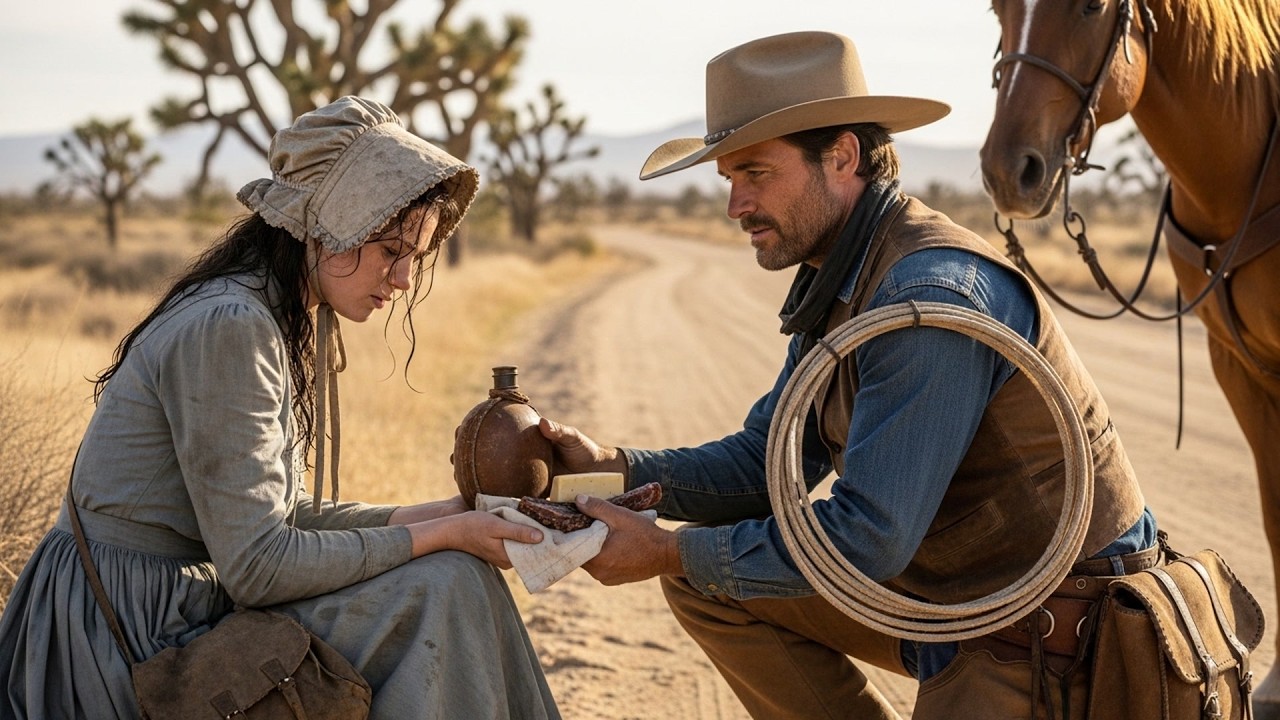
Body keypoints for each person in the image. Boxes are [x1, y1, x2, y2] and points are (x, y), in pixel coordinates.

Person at [539, 32, 1158, 719]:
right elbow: (765, 466)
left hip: (1050, 633)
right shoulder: (842, 273)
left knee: (698, 567)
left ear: (841, 156)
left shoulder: (928, 297)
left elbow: (868, 539)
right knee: (709, 583)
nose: (735, 206)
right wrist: (614, 469)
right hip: (953, 603)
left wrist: (668, 551)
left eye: (755, 174)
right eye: (730, 180)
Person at [0, 96, 560, 719]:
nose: (403, 279)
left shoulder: (273, 309)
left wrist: (453, 513)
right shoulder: (232, 324)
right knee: (447, 578)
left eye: (416, 257)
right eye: (389, 249)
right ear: (326, 231)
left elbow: (279, 517)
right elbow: (260, 567)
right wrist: (445, 534)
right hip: (126, 629)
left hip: (179, 597)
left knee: (458, 571)